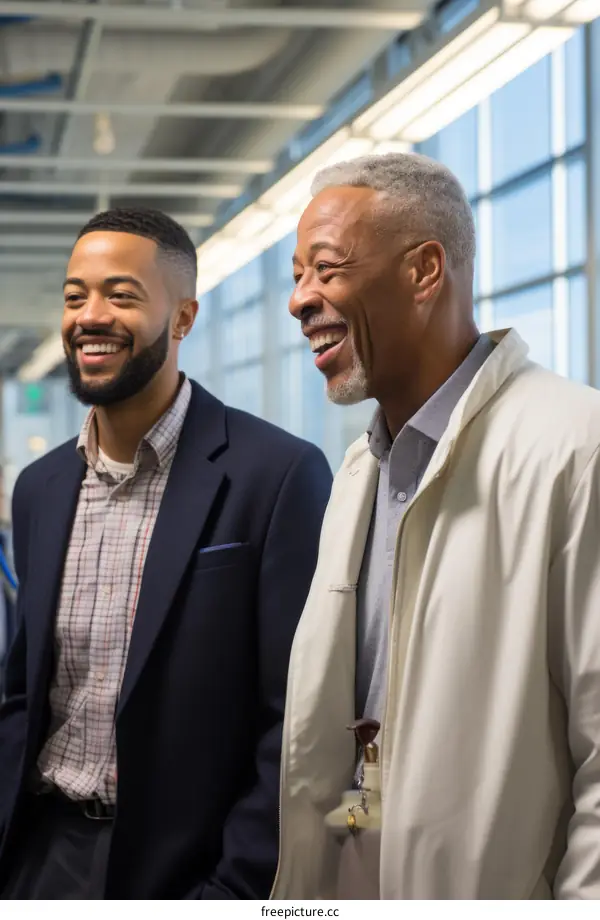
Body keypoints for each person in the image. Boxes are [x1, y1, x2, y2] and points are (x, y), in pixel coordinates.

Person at [271, 152, 600, 899]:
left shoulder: (575, 445)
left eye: (325, 269)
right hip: (351, 869)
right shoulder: (362, 470)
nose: (299, 300)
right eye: (296, 275)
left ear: (424, 271)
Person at [0, 207, 332, 899]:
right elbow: (25, 693)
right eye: (74, 296)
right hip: (38, 856)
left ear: (183, 319)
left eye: (121, 295)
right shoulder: (40, 489)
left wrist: (232, 887)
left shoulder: (275, 476)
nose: (91, 315)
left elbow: (295, 718)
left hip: (182, 872)